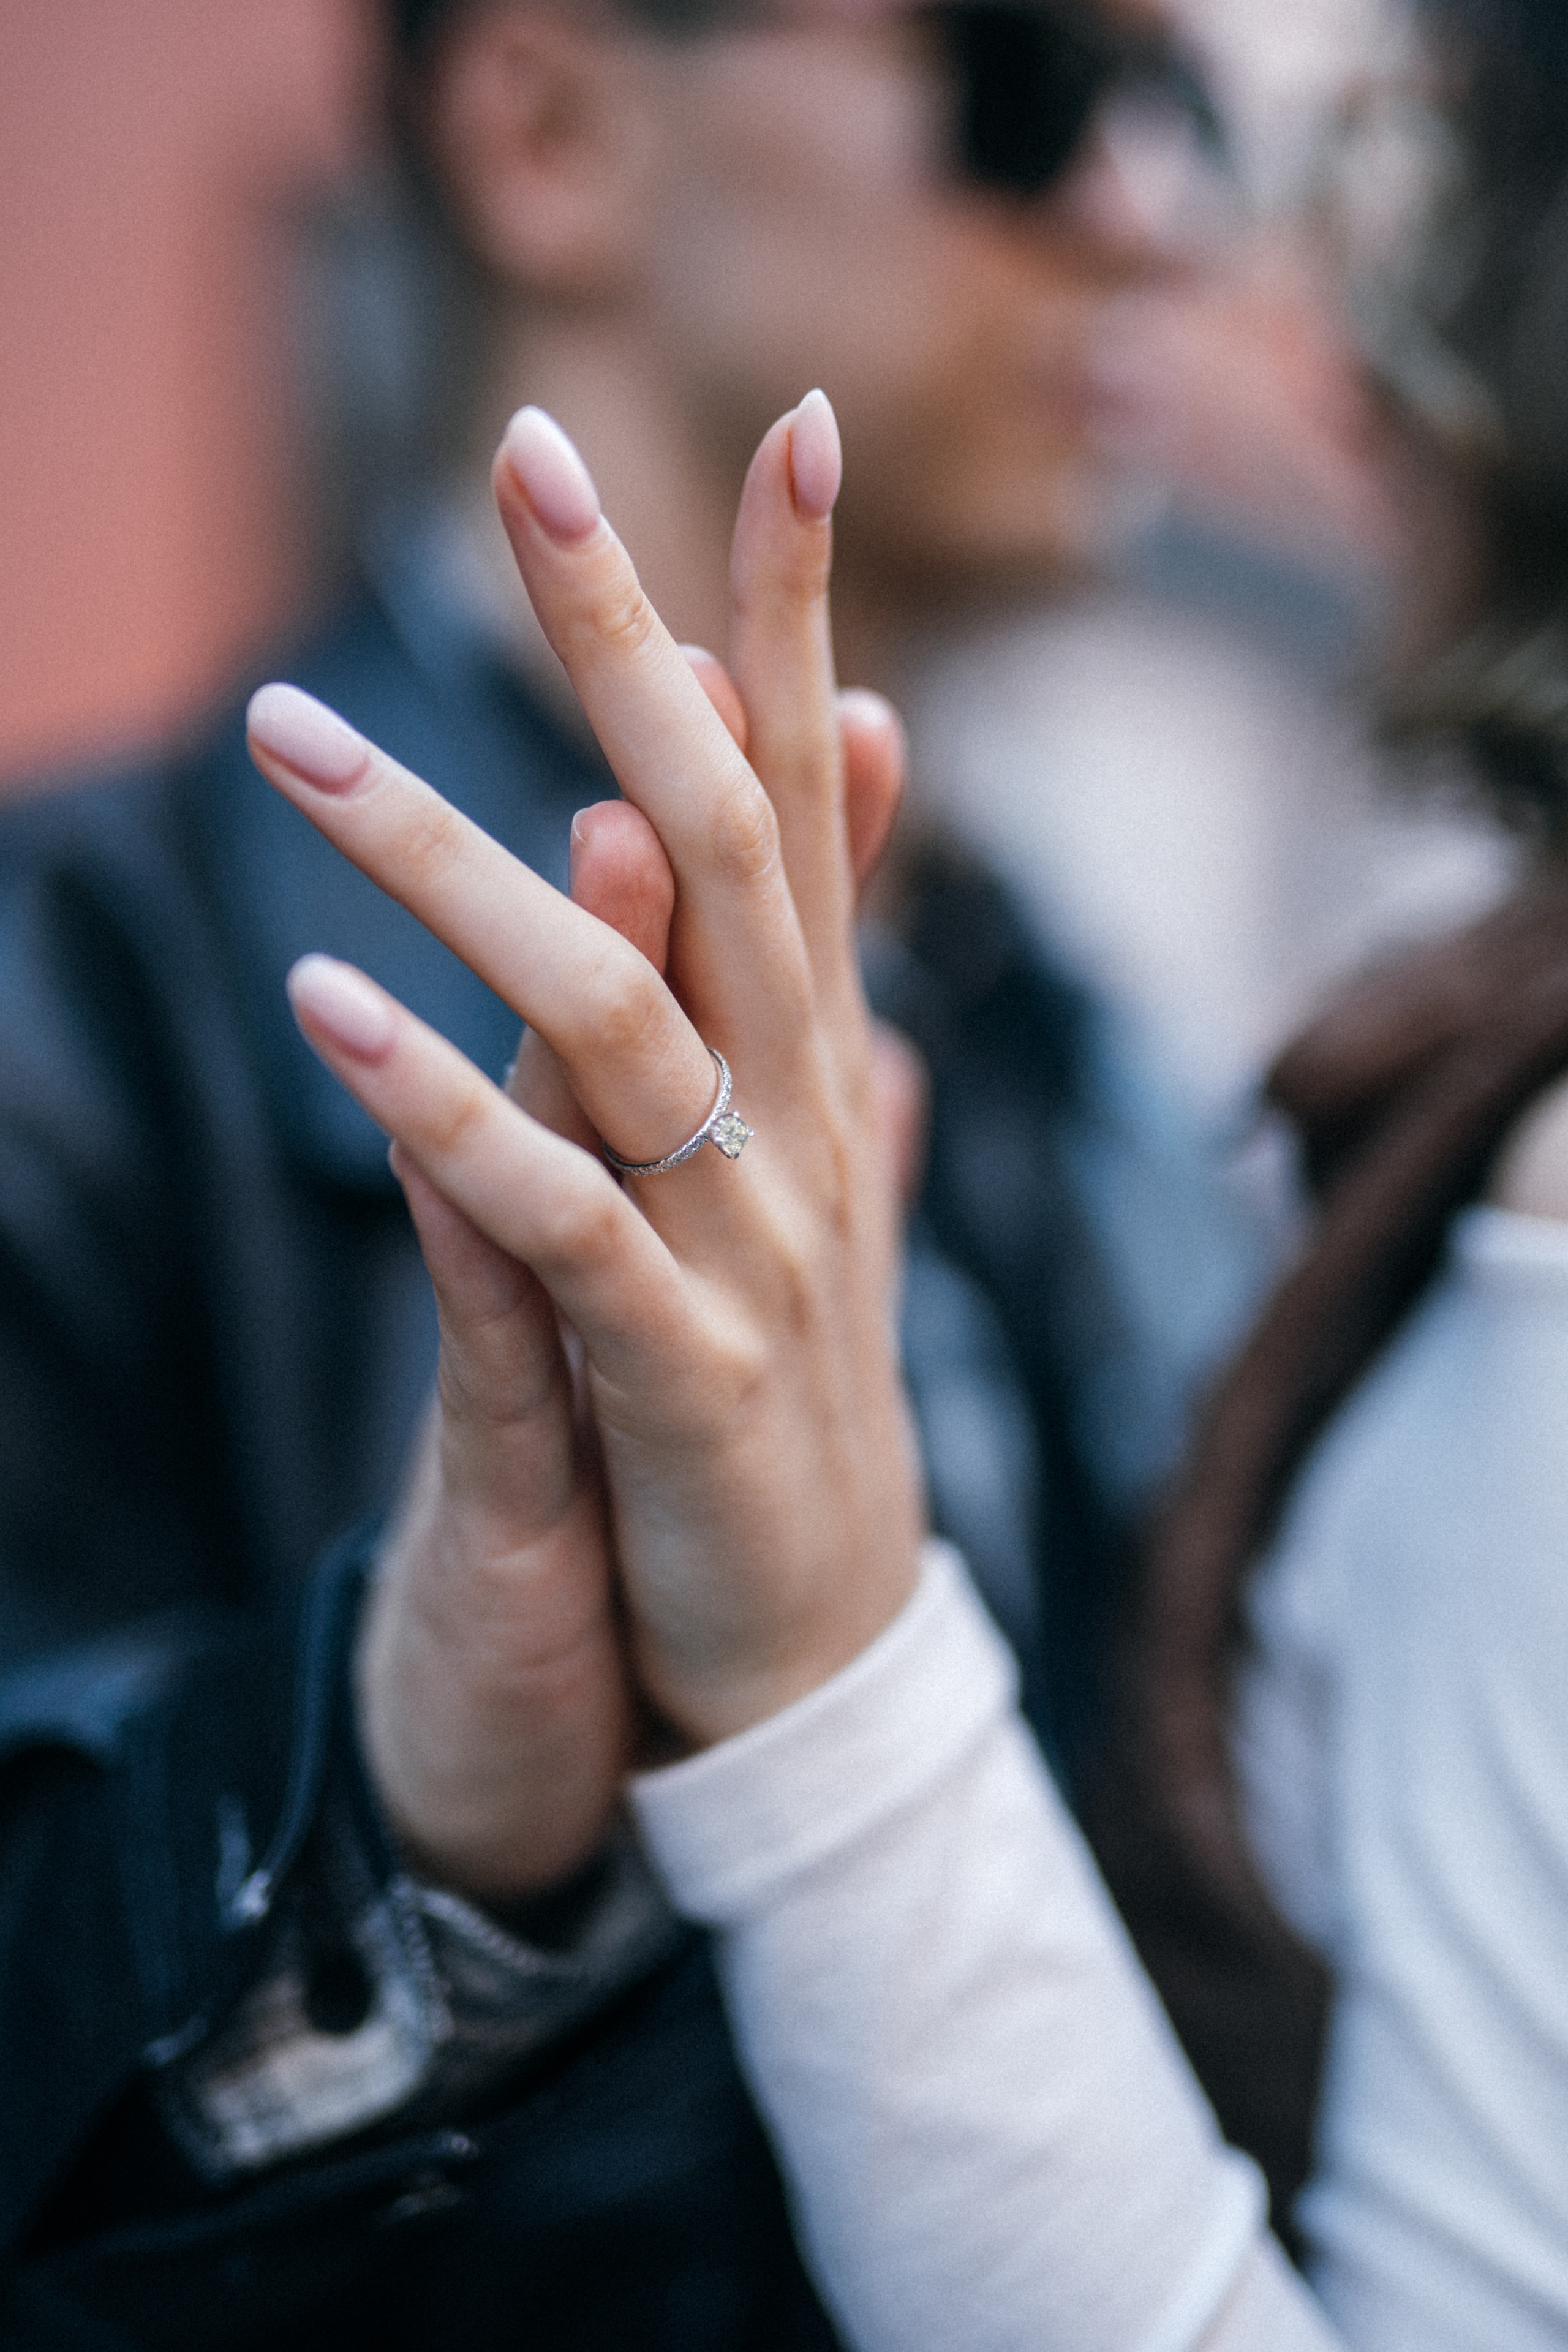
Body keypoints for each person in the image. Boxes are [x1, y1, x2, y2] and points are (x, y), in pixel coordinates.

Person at [0, 0, 1221, 2340]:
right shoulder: (79, 1010)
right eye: (1030, 78)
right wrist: (382, 1799)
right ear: (548, 125)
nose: (1144, 216)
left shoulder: (1122, 1096)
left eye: (1190, 120)